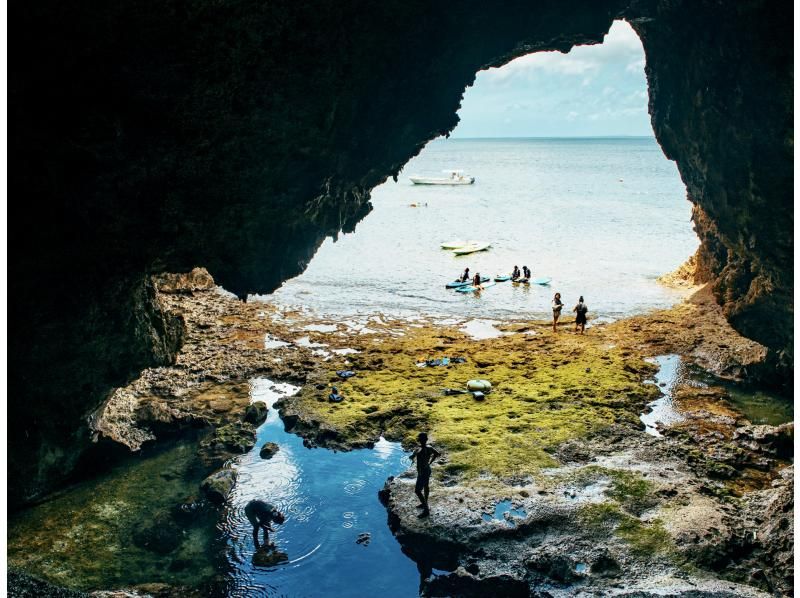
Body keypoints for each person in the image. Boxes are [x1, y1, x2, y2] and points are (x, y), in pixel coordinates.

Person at [410, 432, 440, 517]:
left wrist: (413, 456)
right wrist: (430, 462)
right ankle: (425, 503)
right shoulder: (430, 447)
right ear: (426, 439)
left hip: (422, 471)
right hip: (427, 469)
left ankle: (426, 510)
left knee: (417, 491)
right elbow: (437, 454)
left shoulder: (419, 449)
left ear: (419, 440)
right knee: (426, 486)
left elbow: (411, 457)